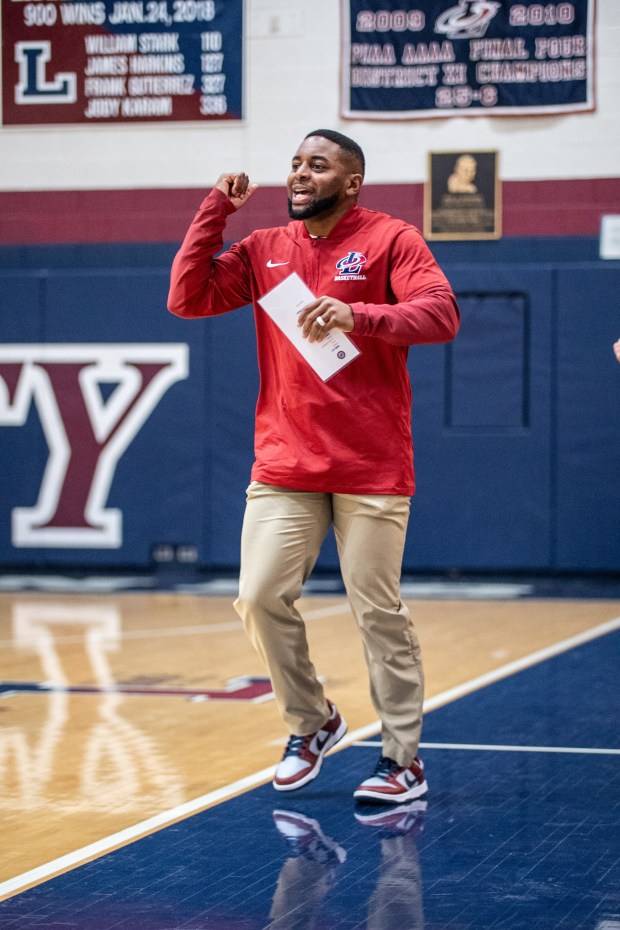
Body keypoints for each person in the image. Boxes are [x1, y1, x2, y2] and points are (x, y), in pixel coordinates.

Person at [168, 129, 460, 804]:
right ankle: (314, 722)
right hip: (284, 463)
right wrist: (216, 209)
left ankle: (401, 761)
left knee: (377, 612)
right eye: (295, 162)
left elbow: (441, 314)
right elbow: (187, 298)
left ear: (350, 181)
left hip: (371, 464)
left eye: (316, 165)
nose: (300, 173)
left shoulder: (393, 239)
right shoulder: (266, 248)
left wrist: (359, 316)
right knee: (260, 597)